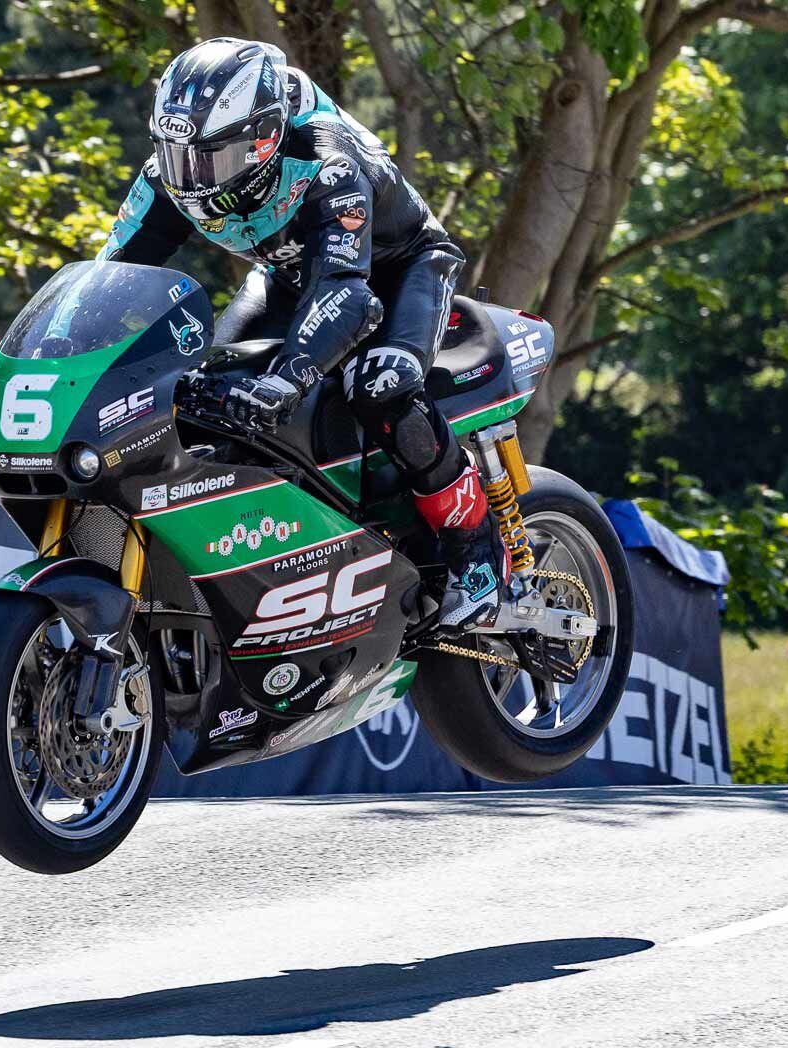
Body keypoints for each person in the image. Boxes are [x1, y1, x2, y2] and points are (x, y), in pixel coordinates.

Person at [96, 37, 510, 628]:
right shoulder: (171, 170)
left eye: (211, 158)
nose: (192, 176)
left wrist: (290, 375)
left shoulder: (326, 157)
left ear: (263, 136)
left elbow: (348, 291)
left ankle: (476, 552)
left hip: (398, 267)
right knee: (209, 385)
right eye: (178, 154)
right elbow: (111, 277)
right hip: (288, 272)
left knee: (382, 383)